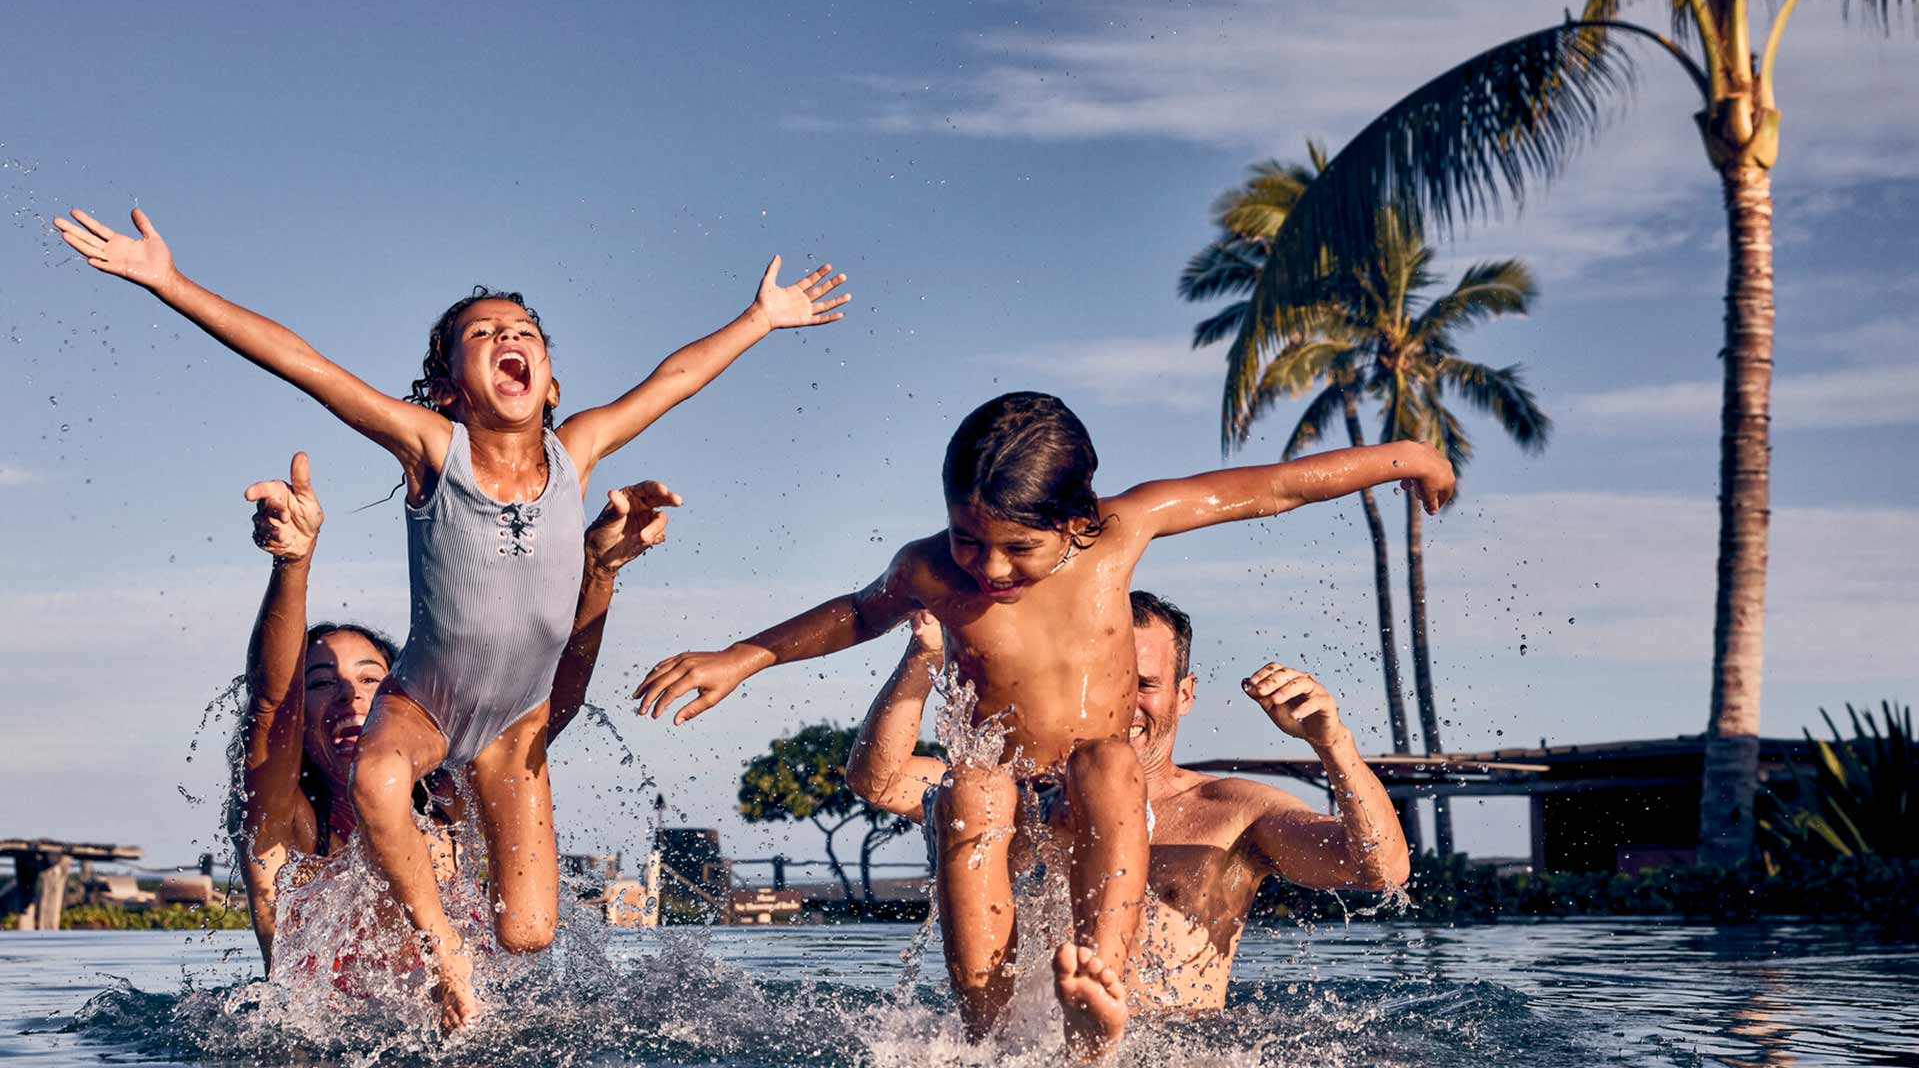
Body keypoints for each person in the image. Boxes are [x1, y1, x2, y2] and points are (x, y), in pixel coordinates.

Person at [55, 206, 849, 1028]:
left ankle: (467, 945)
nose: (510, 335)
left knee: (532, 932)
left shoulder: (577, 449)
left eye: (524, 329)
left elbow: (670, 381)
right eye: (482, 333)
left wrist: (762, 318)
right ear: (445, 387)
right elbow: (306, 364)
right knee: (377, 775)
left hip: (515, 726)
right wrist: (168, 281)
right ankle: (442, 951)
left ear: (550, 377)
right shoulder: (434, 450)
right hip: (428, 702)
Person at [635, 390, 1451, 1057]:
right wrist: (743, 656)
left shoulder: (1123, 531)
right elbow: (857, 614)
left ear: (1078, 518)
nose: (988, 569)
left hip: (1099, 782)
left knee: (1106, 763)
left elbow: (1273, 487)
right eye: (968, 540)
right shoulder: (929, 569)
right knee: (973, 784)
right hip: (1011, 785)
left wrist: (1404, 457)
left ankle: (1098, 994)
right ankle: (985, 1035)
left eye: (1017, 547)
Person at [845, 598, 1409, 1018]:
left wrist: (1333, 744)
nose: (1123, 703)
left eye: (1144, 684)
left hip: (1174, 1046)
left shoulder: (1234, 811)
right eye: (1108, 681)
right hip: (1018, 1048)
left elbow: (1379, 869)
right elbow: (880, 779)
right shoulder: (1012, 796)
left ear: (1183, 695)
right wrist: (923, 659)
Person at [236, 449, 674, 973]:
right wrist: (294, 562)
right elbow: (269, 706)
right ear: (300, 725)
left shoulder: (449, 801)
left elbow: (546, 706)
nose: (350, 696)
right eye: (322, 683)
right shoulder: (286, 827)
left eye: (372, 678)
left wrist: (599, 571)